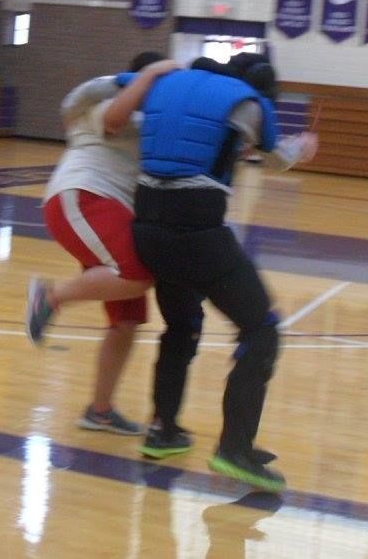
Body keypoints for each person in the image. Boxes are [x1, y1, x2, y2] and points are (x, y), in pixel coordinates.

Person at [126, 53, 318, 492]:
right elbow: (273, 158)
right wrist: (302, 148)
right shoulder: (248, 103)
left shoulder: (171, 85)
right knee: (261, 329)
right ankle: (235, 447)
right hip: (196, 231)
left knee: (181, 326)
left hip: (146, 229)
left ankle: (163, 430)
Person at [25, 52, 181, 436]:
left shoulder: (150, 121)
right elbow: (113, 120)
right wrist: (151, 74)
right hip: (82, 198)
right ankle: (51, 296)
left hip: (110, 214)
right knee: (137, 275)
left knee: (126, 322)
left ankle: (100, 410)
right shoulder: (104, 107)